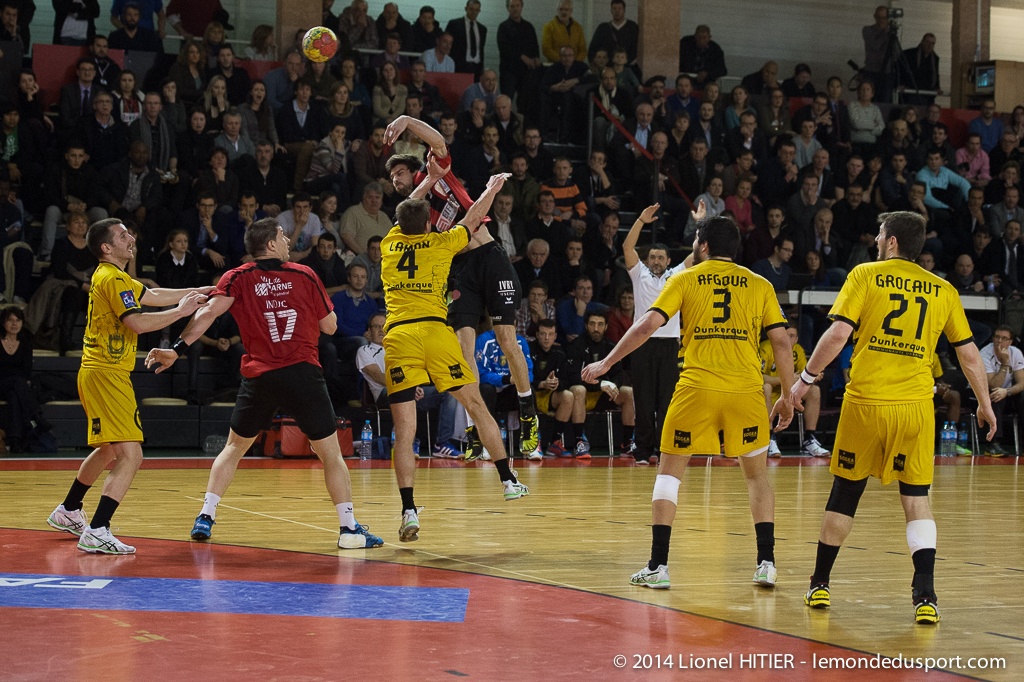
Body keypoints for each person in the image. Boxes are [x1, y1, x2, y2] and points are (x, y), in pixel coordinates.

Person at [789, 210, 996, 624]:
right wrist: (985, 403)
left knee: (845, 494)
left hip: (866, 403)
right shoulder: (943, 289)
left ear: (893, 243)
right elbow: (969, 354)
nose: (877, 242)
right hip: (916, 409)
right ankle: (926, 595)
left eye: (881, 236)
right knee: (916, 500)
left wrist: (804, 380)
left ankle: (820, 585)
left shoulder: (866, 274)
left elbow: (837, 334)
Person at [582, 208, 794, 590]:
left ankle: (658, 566)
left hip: (696, 386)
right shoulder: (760, 284)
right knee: (757, 477)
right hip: (745, 389)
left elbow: (647, 324)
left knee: (668, 474)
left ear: (704, 246)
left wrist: (607, 362)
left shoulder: (685, 278)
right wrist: (789, 396)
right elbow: (780, 340)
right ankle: (766, 562)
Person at [145, 217, 383, 550]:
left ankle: (206, 515)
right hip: (301, 373)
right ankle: (348, 530)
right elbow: (330, 327)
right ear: (271, 244)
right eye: (283, 236)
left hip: (261, 375)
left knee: (234, 448)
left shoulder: (237, 277)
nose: (288, 241)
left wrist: (177, 349)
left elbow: (207, 314)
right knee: (330, 455)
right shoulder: (304, 275)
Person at [381, 173, 529, 543]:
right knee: (476, 405)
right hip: (435, 333)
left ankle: (409, 509)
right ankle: (508, 480)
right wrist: (492, 187)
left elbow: (407, 213)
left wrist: (425, 182)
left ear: (399, 224)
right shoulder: (440, 243)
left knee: (405, 431)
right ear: (429, 222)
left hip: (400, 337)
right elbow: (473, 216)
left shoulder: (388, 243)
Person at [46, 219, 210, 554]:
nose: (131, 238)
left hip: (98, 372)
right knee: (132, 454)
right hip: (106, 373)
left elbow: (150, 295)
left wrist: (197, 293)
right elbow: (135, 321)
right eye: (123, 236)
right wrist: (180, 312)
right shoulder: (110, 276)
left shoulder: (112, 277)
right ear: (106, 247)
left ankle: (69, 509)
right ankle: (98, 529)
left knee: (109, 450)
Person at [384, 116, 540, 459]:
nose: (394, 180)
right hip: (459, 269)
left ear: (415, 170)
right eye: (390, 178)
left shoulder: (437, 175)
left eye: (398, 173)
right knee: (462, 348)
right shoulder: (410, 212)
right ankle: (473, 425)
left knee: (507, 341)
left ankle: (529, 414)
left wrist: (406, 121)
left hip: (488, 255)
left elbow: (438, 141)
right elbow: (405, 212)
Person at [622, 205, 685, 464]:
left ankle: (662, 449)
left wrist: (701, 223)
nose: (656, 261)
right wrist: (640, 219)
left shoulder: (678, 274)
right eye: (653, 257)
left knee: (667, 400)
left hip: (670, 345)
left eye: (661, 257)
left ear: (668, 260)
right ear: (647, 260)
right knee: (644, 401)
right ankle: (643, 451)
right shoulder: (640, 275)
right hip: (642, 344)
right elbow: (627, 247)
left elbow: (696, 254)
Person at [761, 327, 830, 457]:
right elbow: (761, 377)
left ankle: (809, 439)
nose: (788, 339)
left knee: (814, 390)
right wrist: (787, 379)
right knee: (766, 387)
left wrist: (812, 377)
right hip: (770, 394)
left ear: (797, 339)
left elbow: (804, 374)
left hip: (789, 393)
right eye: (785, 335)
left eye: (792, 336)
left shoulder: (798, 350)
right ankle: (769, 438)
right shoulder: (766, 347)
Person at [979, 325, 1024, 457]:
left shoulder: (1015, 353)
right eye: (997, 337)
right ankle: (993, 444)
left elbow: (1022, 383)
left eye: (1004, 338)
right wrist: (1005, 364)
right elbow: (993, 384)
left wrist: (1007, 392)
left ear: (1010, 342)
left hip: (1005, 393)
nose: (999, 341)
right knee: (995, 395)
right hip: (979, 394)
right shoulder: (985, 353)